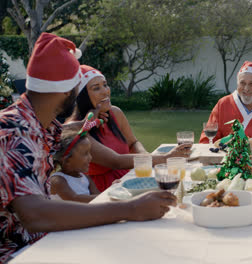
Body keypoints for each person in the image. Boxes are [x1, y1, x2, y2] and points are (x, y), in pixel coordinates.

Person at [0, 33, 176, 262]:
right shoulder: (15, 131)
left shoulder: (38, 123)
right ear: (67, 91)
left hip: (42, 241)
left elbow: (67, 130)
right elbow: (35, 215)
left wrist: (88, 122)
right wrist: (131, 209)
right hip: (18, 254)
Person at [67, 65, 191, 192]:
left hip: (129, 180)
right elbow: (115, 161)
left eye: (105, 85)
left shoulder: (115, 113)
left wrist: (145, 156)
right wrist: (165, 158)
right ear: (82, 96)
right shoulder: (77, 128)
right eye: (96, 88)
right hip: (99, 191)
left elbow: (133, 142)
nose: (105, 91)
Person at [50, 122, 101, 203]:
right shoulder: (58, 181)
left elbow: (100, 196)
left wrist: (112, 189)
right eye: (85, 153)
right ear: (67, 160)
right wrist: (108, 195)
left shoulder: (86, 178)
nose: (90, 157)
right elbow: (75, 199)